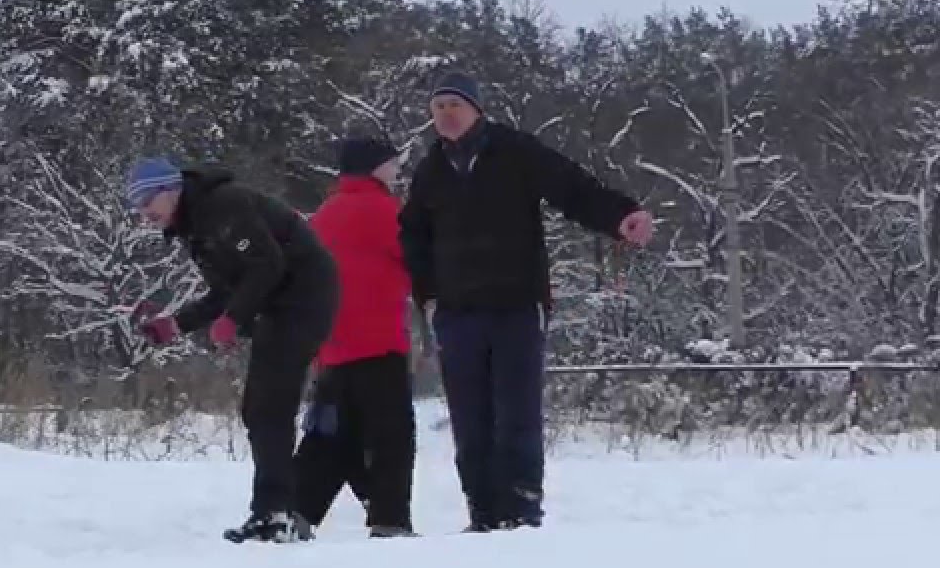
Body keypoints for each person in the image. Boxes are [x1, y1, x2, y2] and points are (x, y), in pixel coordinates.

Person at [399, 72, 654, 532]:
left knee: (516, 412)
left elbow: (571, 187)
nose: (446, 115)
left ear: (476, 109)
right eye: (437, 109)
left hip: (516, 304)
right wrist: (428, 296)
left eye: (454, 105)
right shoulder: (430, 171)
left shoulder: (513, 151)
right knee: (469, 418)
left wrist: (620, 216)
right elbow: (413, 238)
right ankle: (481, 510)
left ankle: (520, 508)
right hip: (457, 313)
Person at [127, 157, 339, 544]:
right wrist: (177, 324)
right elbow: (228, 288)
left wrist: (233, 317)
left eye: (148, 201)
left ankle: (276, 517)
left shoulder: (222, 206)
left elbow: (267, 265)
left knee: (268, 406)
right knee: (259, 409)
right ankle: (275, 511)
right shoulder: (195, 226)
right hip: (280, 305)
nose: (144, 213)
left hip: (304, 298)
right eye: (137, 206)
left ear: (171, 189)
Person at [293, 137, 418, 539]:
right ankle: (390, 518)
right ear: (375, 168)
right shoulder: (387, 212)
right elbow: (419, 261)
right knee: (391, 435)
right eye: (392, 164)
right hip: (379, 342)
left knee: (331, 433)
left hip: (331, 346)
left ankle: (296, 509)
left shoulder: (324, 214)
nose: (397, 171)